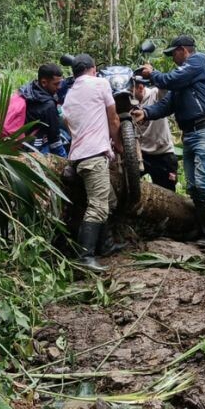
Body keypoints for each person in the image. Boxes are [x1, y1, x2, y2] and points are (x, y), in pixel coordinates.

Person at [133, 34, 205, 246]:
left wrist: (153, 73)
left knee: (202, 182)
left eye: (173, 53)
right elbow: (166, 105)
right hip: (191, 135)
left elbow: (171, 79)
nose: (172, 58)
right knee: (193, 186)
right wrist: (145, 113)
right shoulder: (183, 82)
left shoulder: (198, 61)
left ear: (183, 50)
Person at [62, 54, 122, 272]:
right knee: (98, 206)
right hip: (94, 157)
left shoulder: (69, 96)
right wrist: (118, 143)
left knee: (110, 201)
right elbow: (114, 118)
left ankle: (106, 245)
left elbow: (67, 123)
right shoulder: (100, 83)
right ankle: (85, 256)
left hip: (77, 157)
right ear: (93, 69)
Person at [132, 81, 178, 192]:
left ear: (140, 87)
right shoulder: (128, 102)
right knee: (128, 185)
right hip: (141, 154)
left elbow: (165, 90)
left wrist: (153, 75)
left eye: (130, 90)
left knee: (167, 192)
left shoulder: (155, 94)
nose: (129, 93)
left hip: (163, 153)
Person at [19, 64, 66, 156]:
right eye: (56, 84)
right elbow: (54, 139)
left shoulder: (28, 90)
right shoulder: (48, 105)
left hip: (23, 142)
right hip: (36, 147)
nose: (59, 87)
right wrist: (65, 159)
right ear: (44, 82)